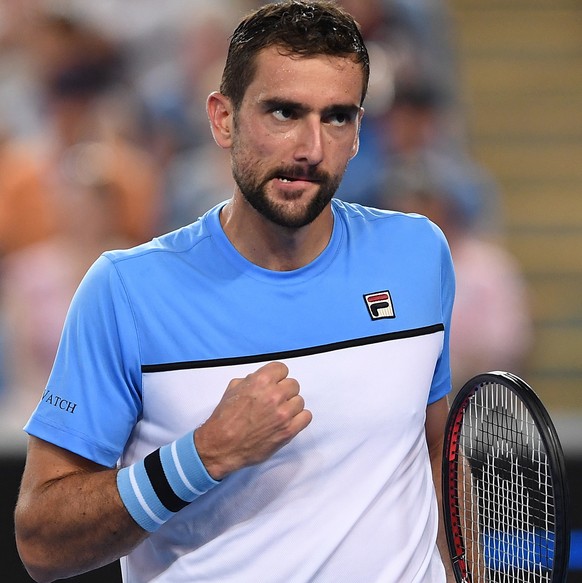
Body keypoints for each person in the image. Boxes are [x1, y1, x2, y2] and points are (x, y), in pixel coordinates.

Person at [14, 2, 456, 582]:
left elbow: (434, 458)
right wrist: (202, 457)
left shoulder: (419, 255)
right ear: (223, 119)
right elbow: (42, 544)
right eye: (283, 112)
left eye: (337, 118)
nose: (311, 148)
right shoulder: (125, 291)